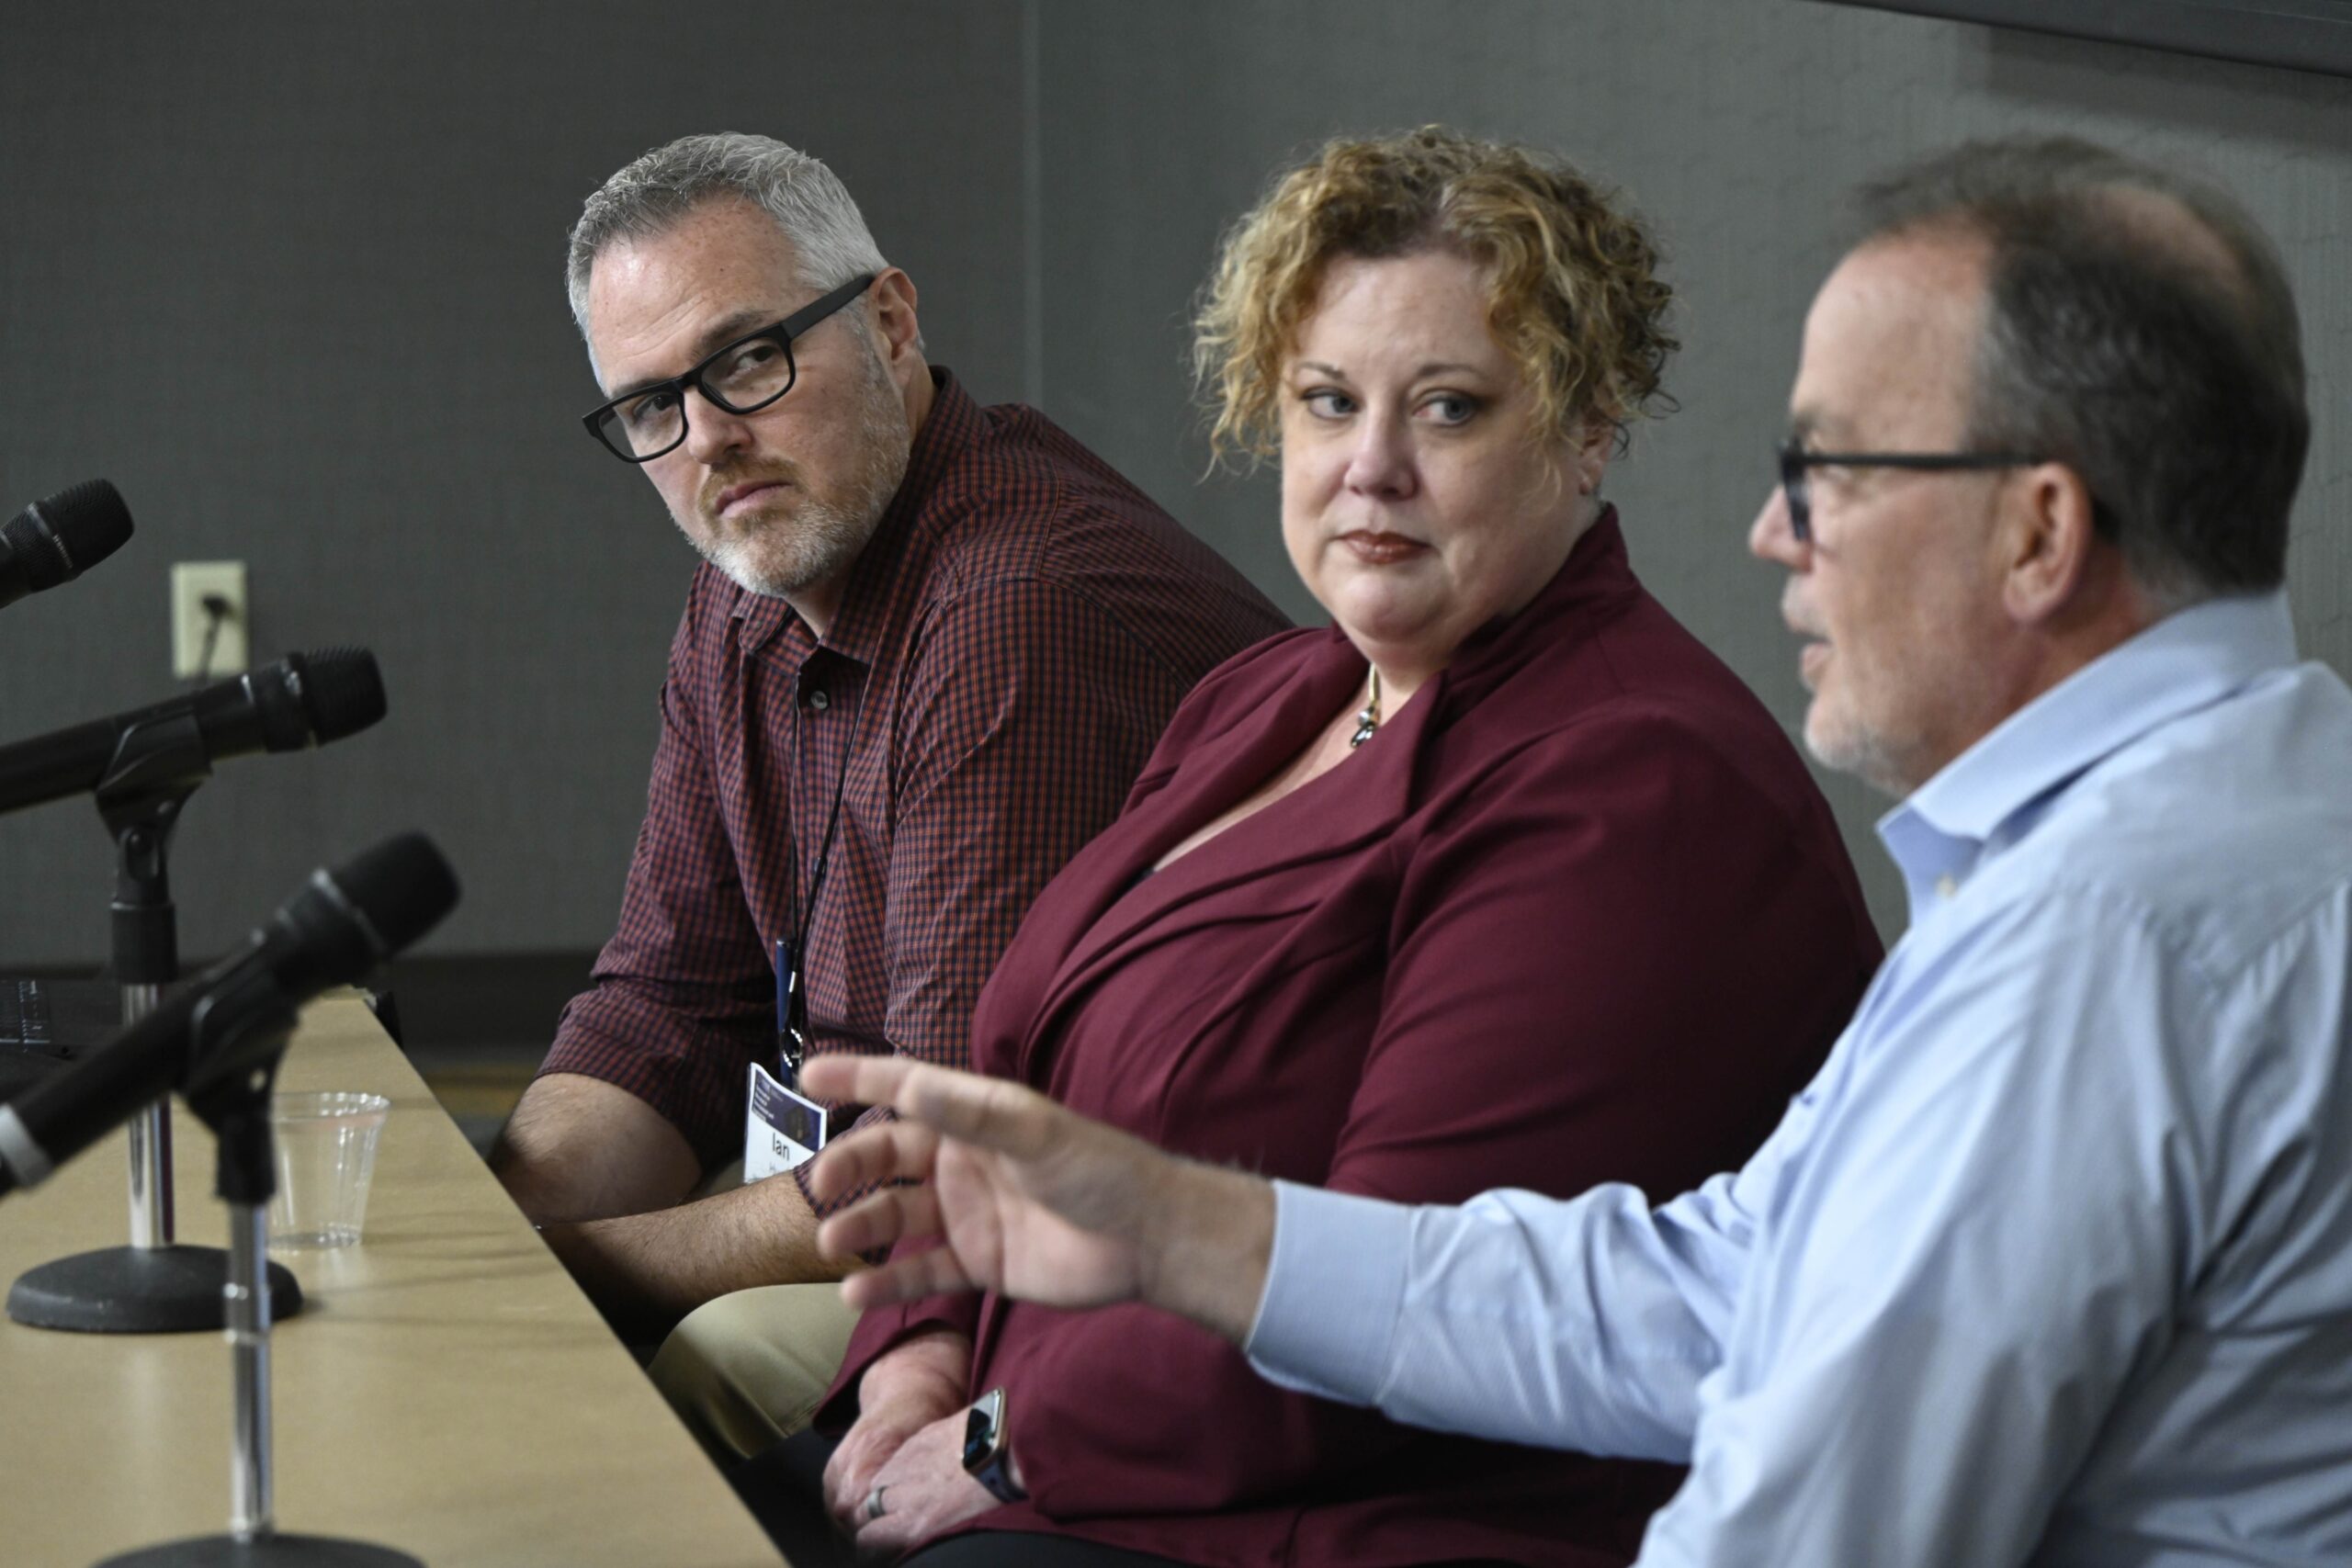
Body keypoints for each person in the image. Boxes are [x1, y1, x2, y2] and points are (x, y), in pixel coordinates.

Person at [806, 134, 2352, 1567]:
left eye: (1832, 470)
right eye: (1327, 400)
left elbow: (1808, 1540)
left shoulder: (2102, 948)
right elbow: (1715, 1291)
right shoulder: (2252, 791)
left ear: (2039, 533)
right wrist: (1175, 1228)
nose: (1775, 532)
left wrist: (1018, 1427)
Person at [788, 127, 1880, 1567]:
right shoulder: (1271, 693)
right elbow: (1015, 1090)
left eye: (1448, 409)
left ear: (1587, 429)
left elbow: (1395, 1310)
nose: (1372, 469)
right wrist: (921, 1353)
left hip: (1355, 1521)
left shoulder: (1638, 784)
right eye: (1327, 402)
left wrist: (1003, 1441)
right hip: (1064, 1447)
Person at [492, 132, 1286, 1450]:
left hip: (1127, 1245)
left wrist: (560, 1272)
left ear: (892, 322)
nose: (709, 440)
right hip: (887, 1170)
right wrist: (500, 1227)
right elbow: (667, 1000)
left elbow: (936, 1167)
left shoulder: (1015, 604)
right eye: (649, 408)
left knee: (686, 1365)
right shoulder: (744, 588)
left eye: (749, 359)